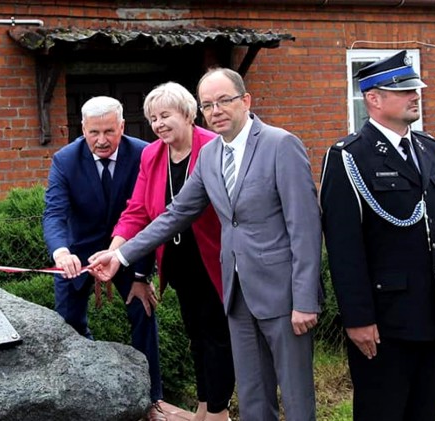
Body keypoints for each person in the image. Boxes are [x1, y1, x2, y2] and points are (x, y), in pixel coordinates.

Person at [90, 68, 322, 421]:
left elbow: (305, 228)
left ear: (245, 101)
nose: (216, 110)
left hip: (282, 295)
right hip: (234, 294)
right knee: (252, 394)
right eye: (208, 104)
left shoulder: (281, 145)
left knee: (295, 395)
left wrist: (305, 299)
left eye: (224, 101)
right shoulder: (211, 156)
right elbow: (174, 214)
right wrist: (120, 255)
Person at [320, 50, 435, 421]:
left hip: (430, 311)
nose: (415, 96)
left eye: (415, 89)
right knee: (382, 411)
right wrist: (357, 318)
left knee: (425, 411)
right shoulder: (349, 156)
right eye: (404, 90)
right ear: (374, 99)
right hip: (384, 320)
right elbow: (344, 246)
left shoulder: (429, 149)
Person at [110, 82, 234, 421]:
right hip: (179, 263)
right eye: (152, 118)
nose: (158, 124)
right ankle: (205, 406)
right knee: (196, 335)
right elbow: (137, 210)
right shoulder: (152, 155)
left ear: (188, 114)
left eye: (165, 115)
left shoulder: (213, 147)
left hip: (216, 258)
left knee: (217, 337)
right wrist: (114, 249)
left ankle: (220, 412)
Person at [42, 96, 164, 420]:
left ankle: (151, 399)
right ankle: (80, 398)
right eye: (93, 132)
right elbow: (54, 214)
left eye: (109, 131)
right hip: (77, 255)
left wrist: (141, 275)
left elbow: (153, 216)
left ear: (122, 126)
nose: (101, 140)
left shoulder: (144, 154)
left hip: (130, 253)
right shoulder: (65, 160)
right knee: (67, 326)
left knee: (144, 312)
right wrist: (61, 252)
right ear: (82, 128)